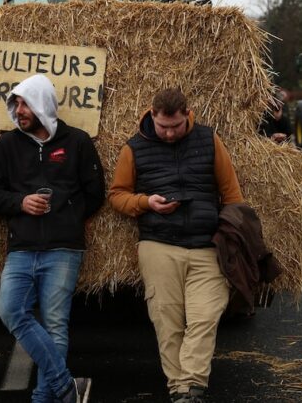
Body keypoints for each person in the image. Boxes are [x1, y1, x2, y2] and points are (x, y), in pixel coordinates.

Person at [108, 88, 244, 403]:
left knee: (205, 316)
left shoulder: (209, 140)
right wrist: (146, 202)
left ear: (187, 115)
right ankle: (181, 391)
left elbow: (232, 194)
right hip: (158, 244)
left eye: (177, 127)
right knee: (166, 318)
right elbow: (117, 195)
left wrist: (231, 234)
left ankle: (191, 387)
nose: (170, 133)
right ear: (151, 115)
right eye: (163, 127)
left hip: (206, 245)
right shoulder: (134, 148)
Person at [0, 75, 105, 403]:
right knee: (10, 311)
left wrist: (67, 217)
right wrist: (20, 203)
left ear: (42, 106)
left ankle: (44, 398)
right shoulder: (6, 146)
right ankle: (66, 386)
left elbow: (96, 193)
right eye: (16, 104)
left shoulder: (77, 141)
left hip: (64, 248)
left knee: (55, 323)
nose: (19, 110)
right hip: (21, 247)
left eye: (25, 104)